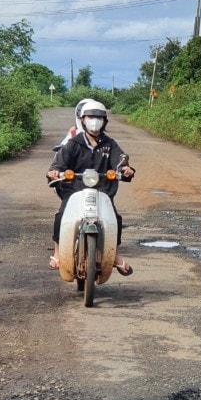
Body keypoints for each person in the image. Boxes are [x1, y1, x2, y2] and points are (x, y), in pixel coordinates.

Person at [47, 98, 135, 274]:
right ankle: (57, 253)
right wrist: (55, 171)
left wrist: (126, 169)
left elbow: (120, 159)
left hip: (102, 189)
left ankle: (115, 256)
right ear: (82, 120)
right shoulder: (74, 143)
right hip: (74, 189)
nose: (95, 121)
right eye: (90, 117)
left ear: (104, 122)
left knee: (115, 219)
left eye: (99, 118)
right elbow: (59, 163)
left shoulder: (109, 144)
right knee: (61, 216)